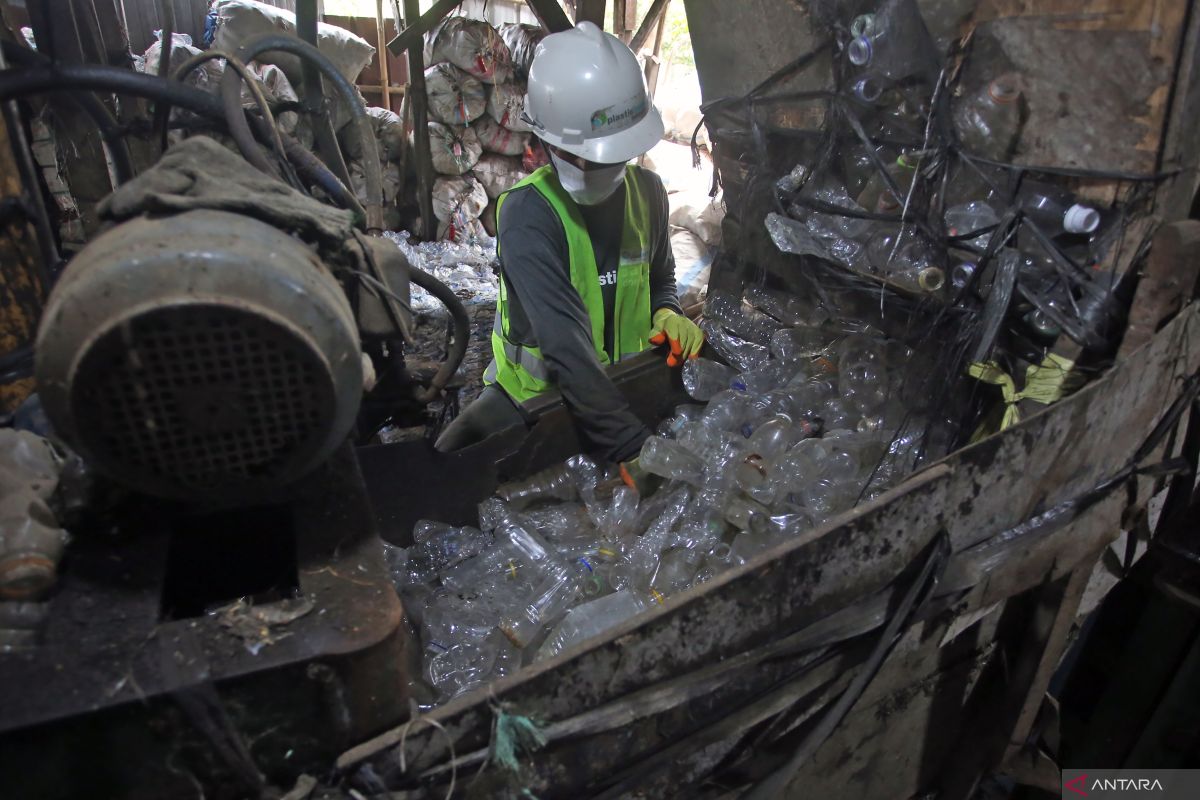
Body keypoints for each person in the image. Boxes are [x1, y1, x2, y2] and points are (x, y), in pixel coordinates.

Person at [435, 20, 704, 489]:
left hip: (626, 385)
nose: (596, 168)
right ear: (544, 144)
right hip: (537, 400)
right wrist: (630, 447)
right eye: (582, 155)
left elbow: (660, 278)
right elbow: (565, 349)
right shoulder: (526, 214)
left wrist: (668, 310)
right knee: (448, 472)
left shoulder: (649, 194)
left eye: (610, 156)